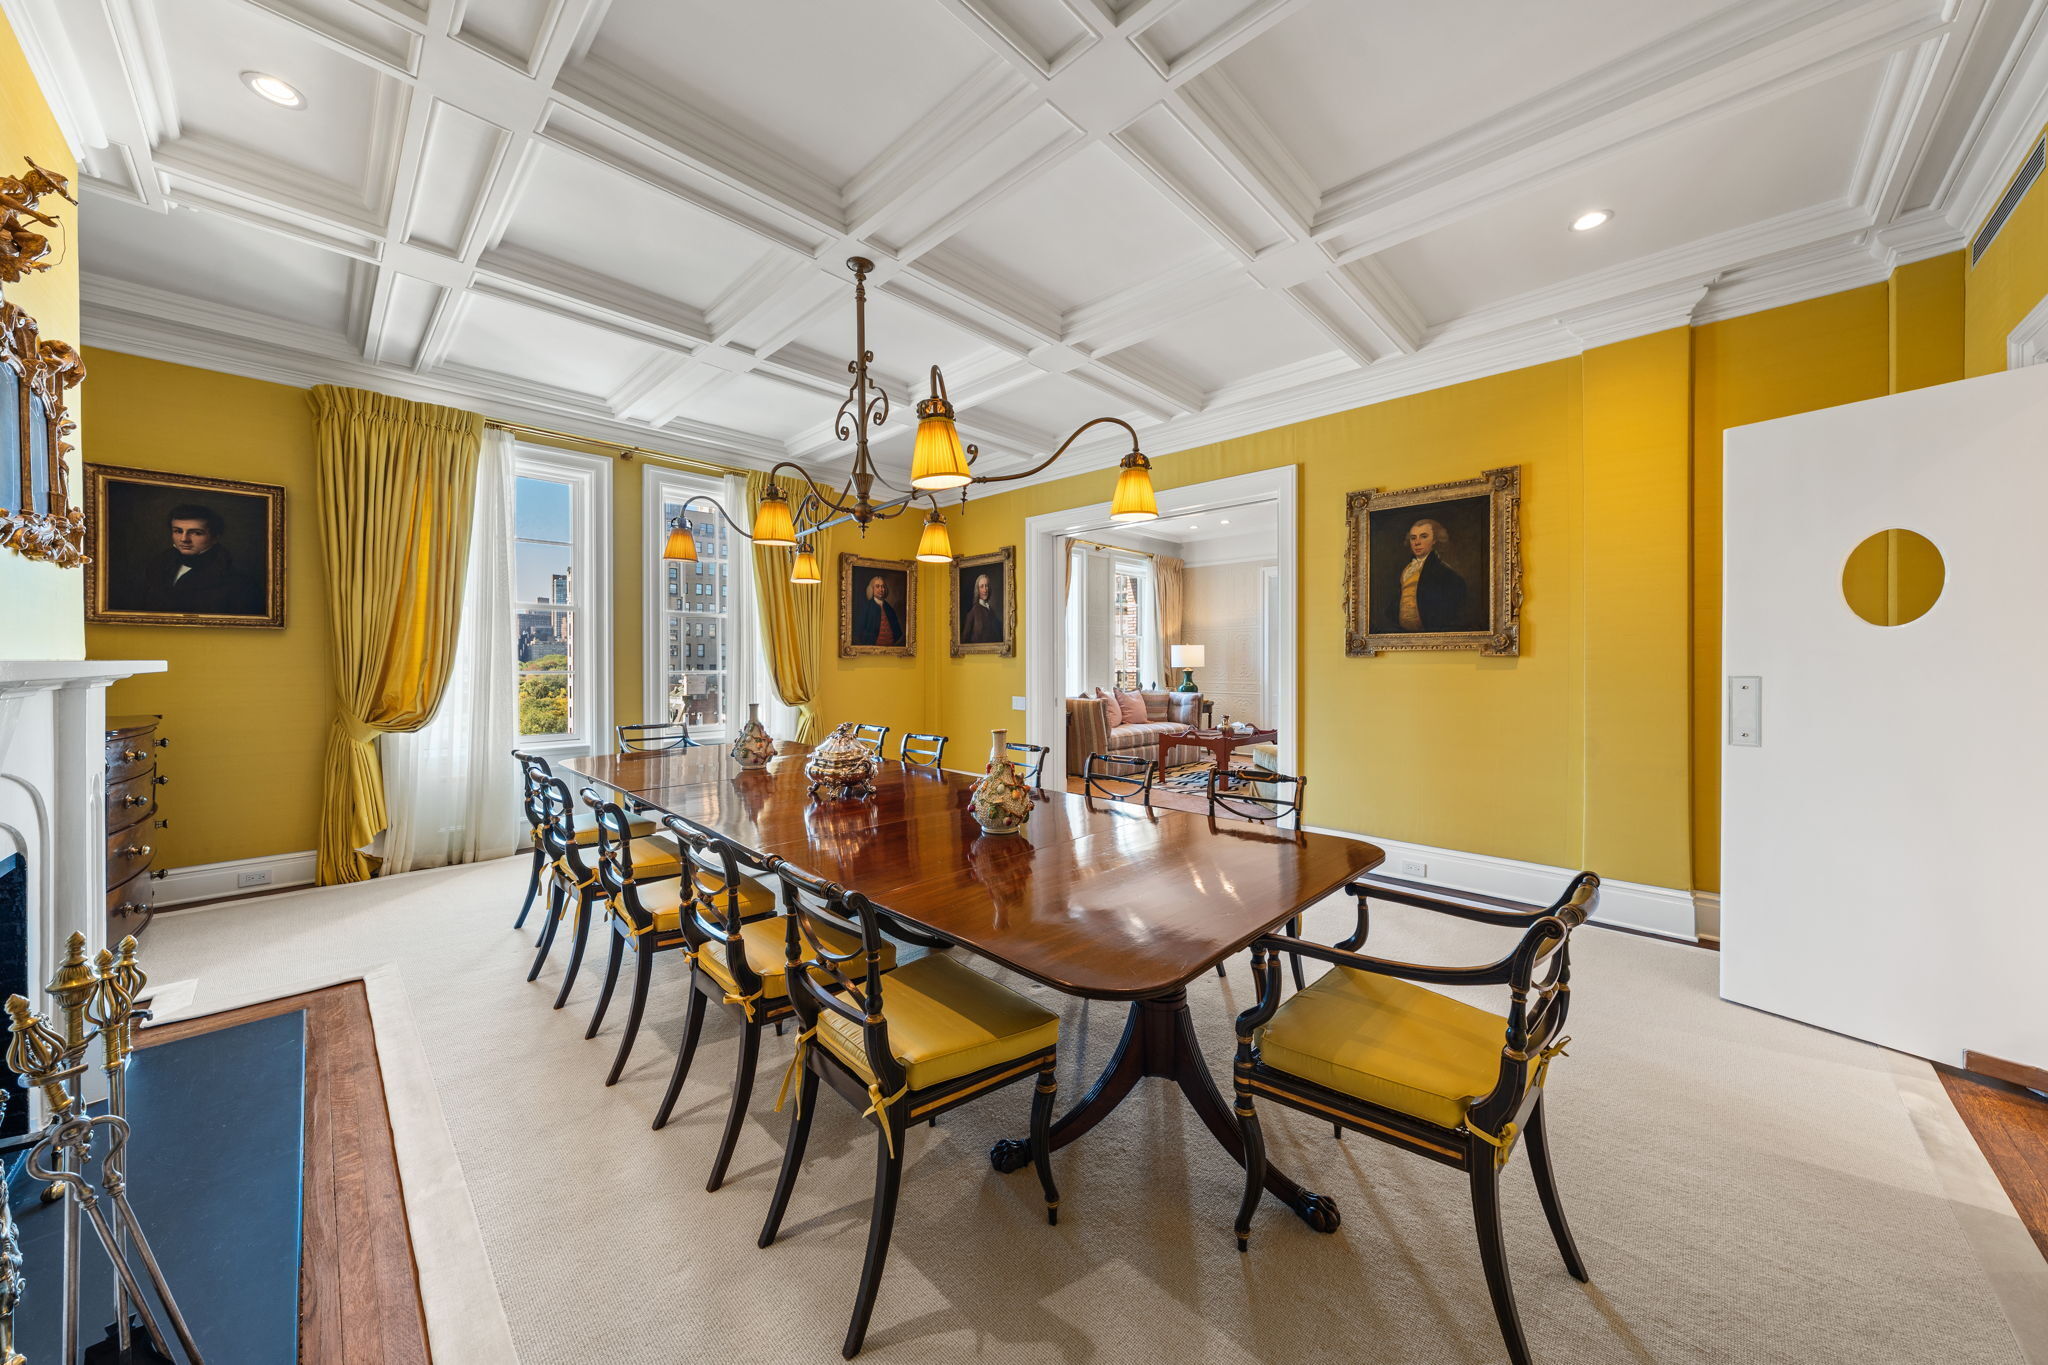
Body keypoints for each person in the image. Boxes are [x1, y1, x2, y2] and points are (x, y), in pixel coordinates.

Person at [128, 502, 264, 616]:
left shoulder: (238, 581)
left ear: (215, 537)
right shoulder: (157, 566)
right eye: (178, 531)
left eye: (196, 533)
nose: (184, 539)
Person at [1380, 517, 1466, 632]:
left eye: (1424, 536)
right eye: (1413, 538)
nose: (1417, 542)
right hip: (1401, 634)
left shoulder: (1445, 573)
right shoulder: (1406, 569)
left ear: (1435, 540)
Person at [852, 574, 903, 646]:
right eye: (877, 586)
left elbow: (898, 633)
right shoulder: (866, 607)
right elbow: (858, 632)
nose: (881, 589)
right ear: (872, 589)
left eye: (883, 586)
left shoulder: (889, 608)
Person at [961, 571, 1001, 644]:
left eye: (986, 586)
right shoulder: (973, 612)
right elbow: (964, 640)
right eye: (982, 586)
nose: (985, 590)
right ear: (977, 590)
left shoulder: (991, 611)